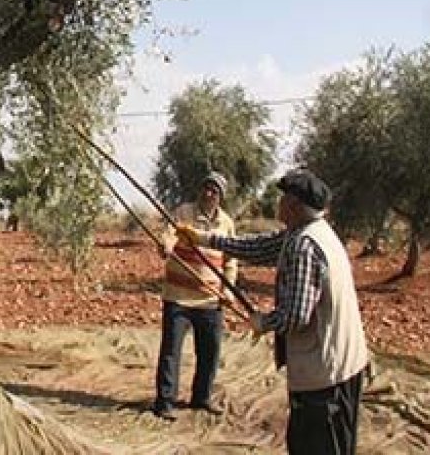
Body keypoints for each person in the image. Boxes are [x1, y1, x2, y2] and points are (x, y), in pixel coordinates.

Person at [177, 169, 369, 455]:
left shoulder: (305, 246)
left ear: (293, 205)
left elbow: (295, 316)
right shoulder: (309, 232)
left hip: (325, 378)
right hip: (344, 367)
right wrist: (203, 239)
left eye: (283, 199)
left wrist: (263, 322)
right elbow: (256, 247)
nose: (277, 204)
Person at [152, 171, 238, 421]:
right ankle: (164, 401)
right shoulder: (183, 213)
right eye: (206, 188)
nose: (209, 193)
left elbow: (230, 260)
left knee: (210, 351)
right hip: (178, 297)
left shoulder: (226, 224)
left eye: (215, 190)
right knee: (171, 351)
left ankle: (201, 397)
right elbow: (168, 234)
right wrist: (166, 245)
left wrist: (228, 290)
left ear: (221, 196)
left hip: (210, 300)